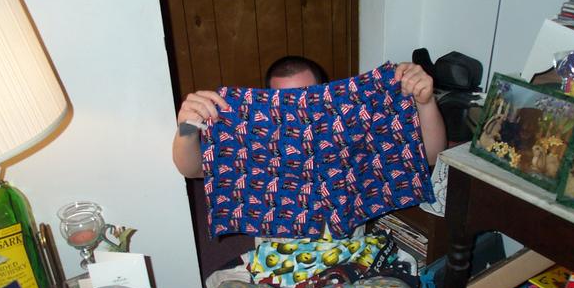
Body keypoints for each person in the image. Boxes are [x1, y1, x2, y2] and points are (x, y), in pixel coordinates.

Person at [172, 56, 446, 178]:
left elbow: (431, 155)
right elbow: (192, 169)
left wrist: (425, 102)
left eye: (307, 99)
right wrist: (188, 126)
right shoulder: (257, 144)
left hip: (349, 262)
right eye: (286, 103)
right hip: (275, 267)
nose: (297, 112)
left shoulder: (351, 135)